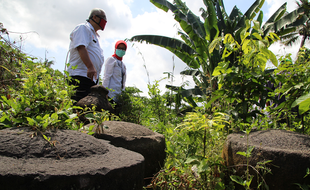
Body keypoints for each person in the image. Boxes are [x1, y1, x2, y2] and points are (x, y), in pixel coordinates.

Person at [67, 8, 107, 102]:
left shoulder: (95, 36)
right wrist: (90, 66)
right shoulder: (83, 28)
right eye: (103, 18)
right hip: (79, 75)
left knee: (85, 108)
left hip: (89, 79)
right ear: (95, 17)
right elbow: (81, 47)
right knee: (77, 104)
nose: (105, 22)